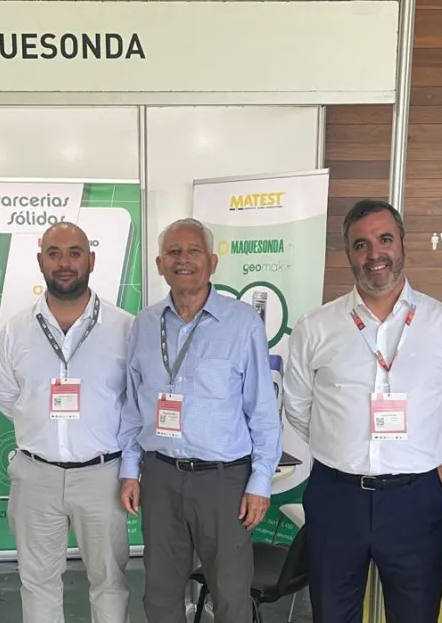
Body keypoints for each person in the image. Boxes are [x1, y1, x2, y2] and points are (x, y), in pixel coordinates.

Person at [282, 199, 442, 623]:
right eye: (360, 245)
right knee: (332, 615)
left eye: (384, 239)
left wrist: (417, 451)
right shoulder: (315, 327)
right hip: (336, 497)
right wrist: (341, 446)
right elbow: (298, 407)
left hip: (415, 500)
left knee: (415, 615)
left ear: (402, 244)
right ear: (349, 255)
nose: (374, 254)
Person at [118, 218, 282, 623]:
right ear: (159, 264)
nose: (183, 259)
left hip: (224, 481)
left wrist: (260, 482)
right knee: (159, 592)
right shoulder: (144, 324)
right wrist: (129, 470)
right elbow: (132, 406)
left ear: (211, 262)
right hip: (160, 476)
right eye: (173, 252)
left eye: (193, 251)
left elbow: (262, 408)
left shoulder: (242, 323)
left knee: (230, 594)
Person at [0, 222, 133, 623]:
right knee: (37, 583)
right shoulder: (15, 330)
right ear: (40, 261)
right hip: (36, 474)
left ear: (91, 259)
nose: (65, 263)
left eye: (75, 252)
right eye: (54, 253)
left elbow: (134, 405)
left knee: (109, 581)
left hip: (103, 475)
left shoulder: (124, 327)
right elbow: (6, 397)